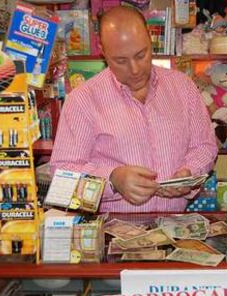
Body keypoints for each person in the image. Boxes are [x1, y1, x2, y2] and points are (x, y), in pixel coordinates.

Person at [50, 6, 217, 213]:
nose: (135, 69)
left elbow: (205, 145)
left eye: (141, 54)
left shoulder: (183, 87)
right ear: (103, 51)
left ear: (149, 38)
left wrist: (189, 172)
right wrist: (112, 179)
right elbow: (62, 175)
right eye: (120, 60)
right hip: (112, 234)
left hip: (175, 228)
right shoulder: (82, 100)